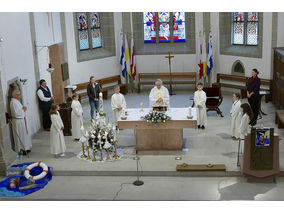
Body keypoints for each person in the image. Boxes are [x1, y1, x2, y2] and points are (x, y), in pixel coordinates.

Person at [10, 90, 32, 155]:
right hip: (18, 121)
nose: (20, 96)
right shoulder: (13, 102)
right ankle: (20, 149)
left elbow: (20, 110)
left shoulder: (17, 101)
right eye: (19, 95)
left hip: (21, 120)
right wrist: (23, 110)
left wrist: (23, 108)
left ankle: (25, 148)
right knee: (19, 135)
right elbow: (15, 113)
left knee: (23, 135)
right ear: (16, 95)